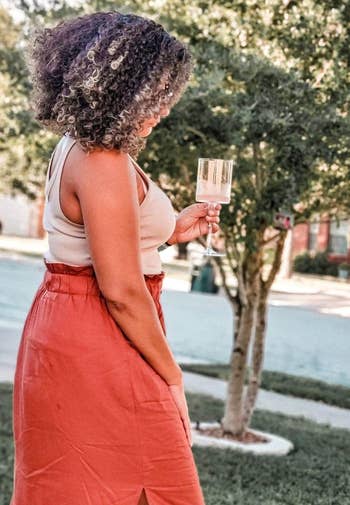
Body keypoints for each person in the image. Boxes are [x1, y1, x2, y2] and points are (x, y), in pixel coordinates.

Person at [9, 10, 221, 505]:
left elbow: (107, 243)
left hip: (82, 321)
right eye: (158, 97)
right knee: (129, 481)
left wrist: (171, 234)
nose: (165, 111)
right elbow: (122, 290)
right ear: (124, 91)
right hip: (97, 332)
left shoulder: (86, 147)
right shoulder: (100, 157)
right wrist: (173, 376)